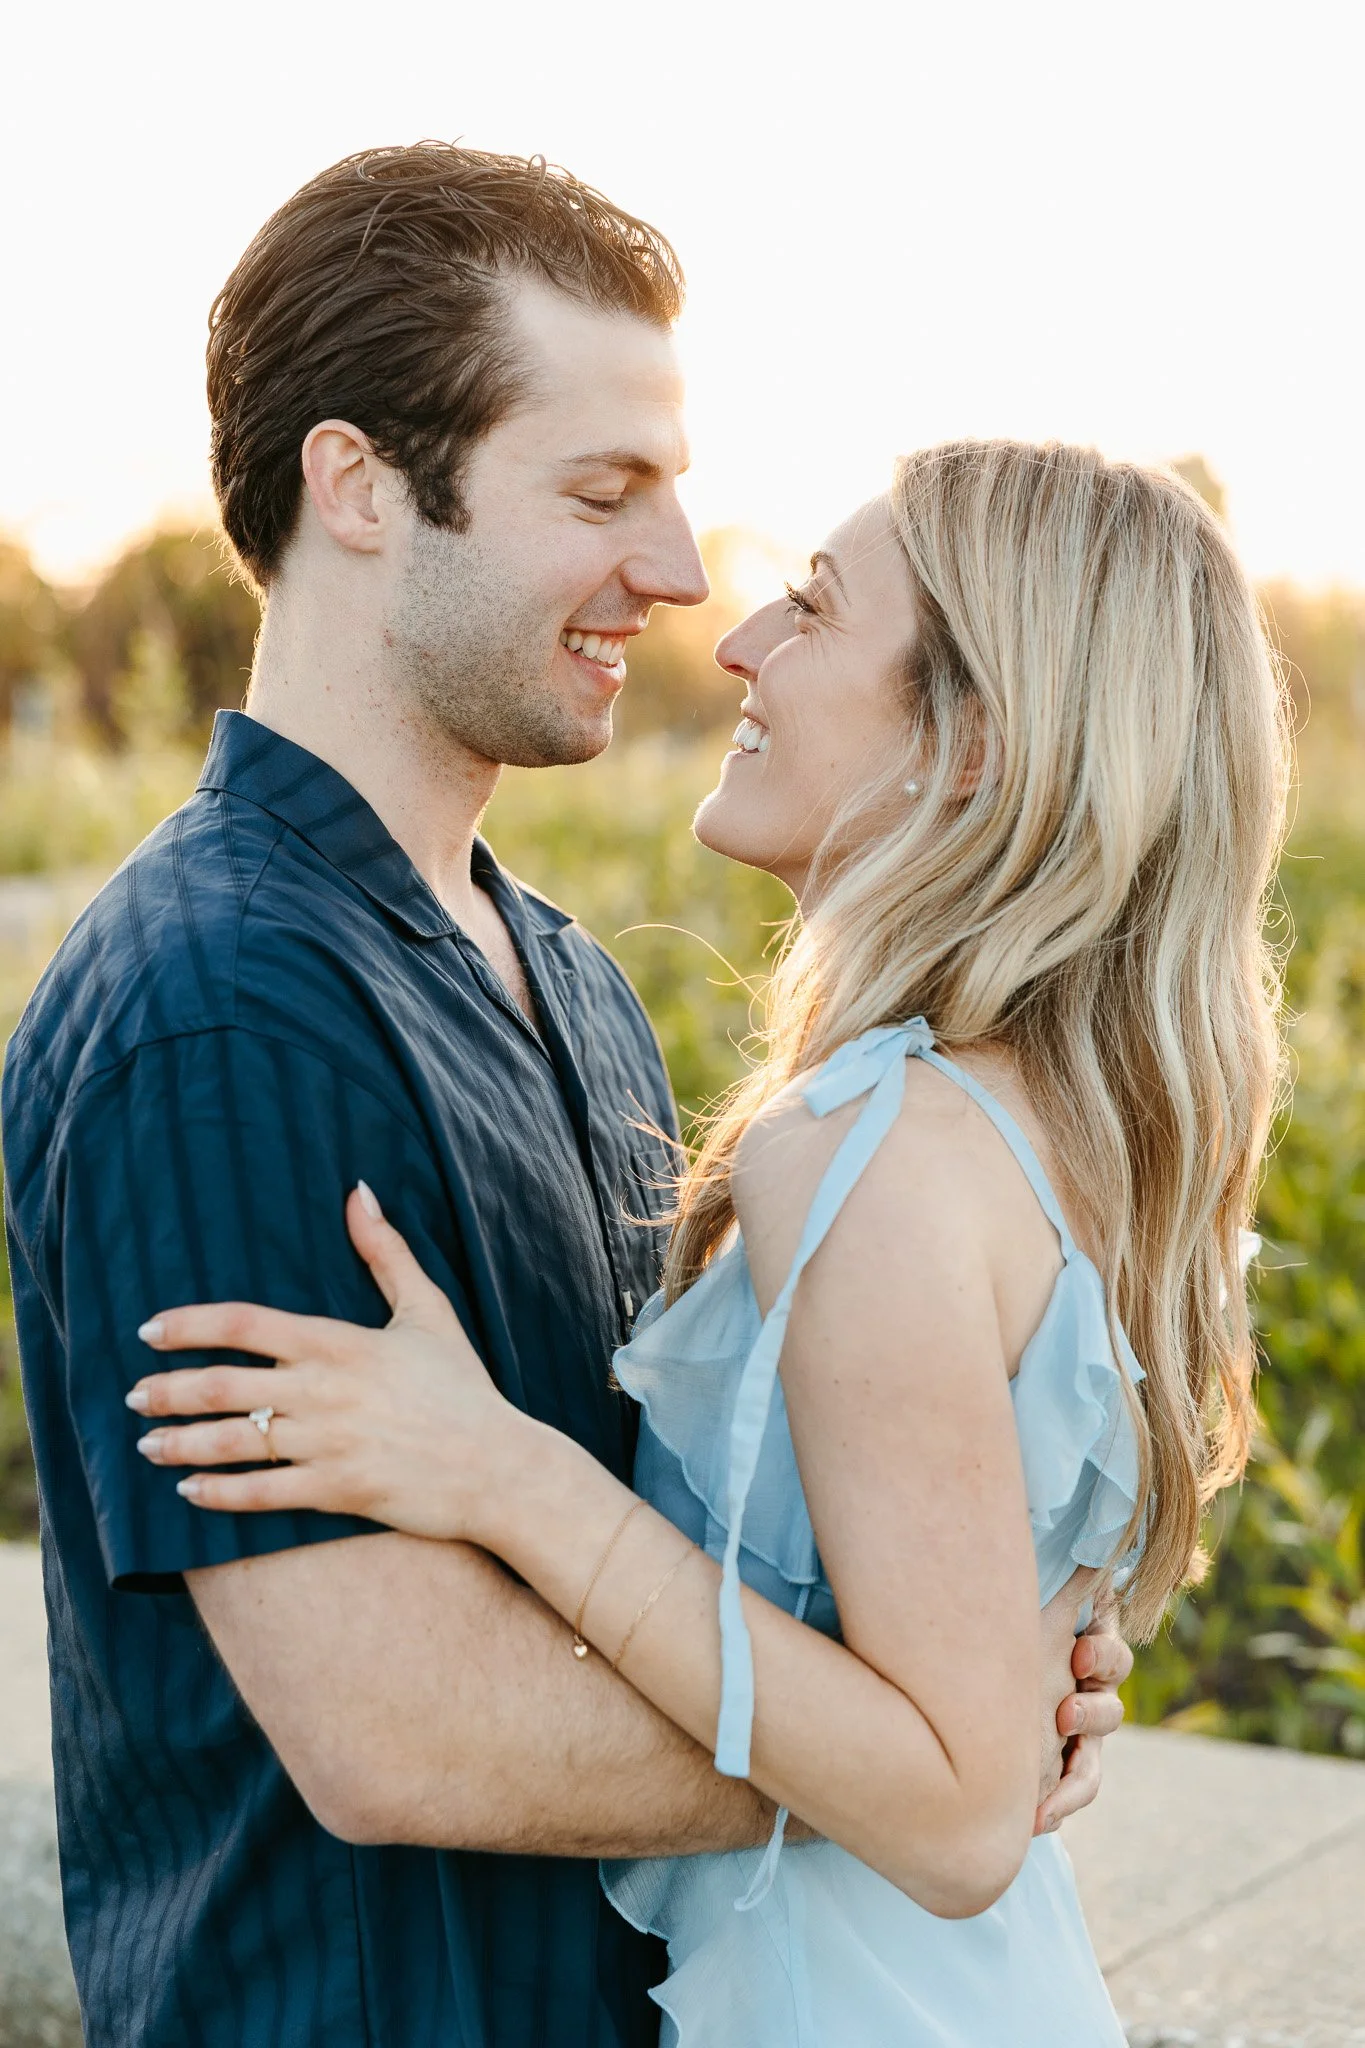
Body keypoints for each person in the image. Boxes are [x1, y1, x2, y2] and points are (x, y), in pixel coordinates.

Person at [0, 151, 1127, 2048]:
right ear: (358, 487)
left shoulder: (580, 983)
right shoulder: (216, 1015)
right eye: (603, 493)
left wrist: (953, 1665)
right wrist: (931, 1766)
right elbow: (397, 1729)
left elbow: (676, 1555)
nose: (684, 571)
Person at [125, 441, 1290, 2043]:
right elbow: (967, 1700)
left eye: (813, 609)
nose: (735, 639)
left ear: (973, 742)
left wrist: (498, 1472)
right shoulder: (1066, 1127)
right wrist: (999, 1701)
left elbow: (952, 1814)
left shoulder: (872, 1147)